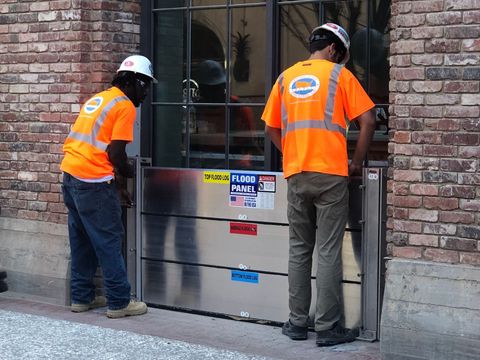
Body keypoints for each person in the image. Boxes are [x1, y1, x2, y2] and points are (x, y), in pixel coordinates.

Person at [261, 23, 376, 346]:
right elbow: (368, 120)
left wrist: (294, 153)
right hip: (331, 174)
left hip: (297, 172)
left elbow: (271, 128)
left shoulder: (285, 78)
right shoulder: (340, 76)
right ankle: (327, 328)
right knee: (327, 250)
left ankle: (297, 323)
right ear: (334, 50)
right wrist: (356, 161)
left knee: (299, 249)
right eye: (341, 55)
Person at [60, 55, 156, 318]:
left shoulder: (99, 98)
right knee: (109, 241)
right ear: (134, 82)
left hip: (70, 177)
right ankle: (119, 302)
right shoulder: (125, 106)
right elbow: (116, 154)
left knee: (81, 240)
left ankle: (82, 298)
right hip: (92, 181)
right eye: (145, 85)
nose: (146, 92)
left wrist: (116, 183)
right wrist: (130, 173)